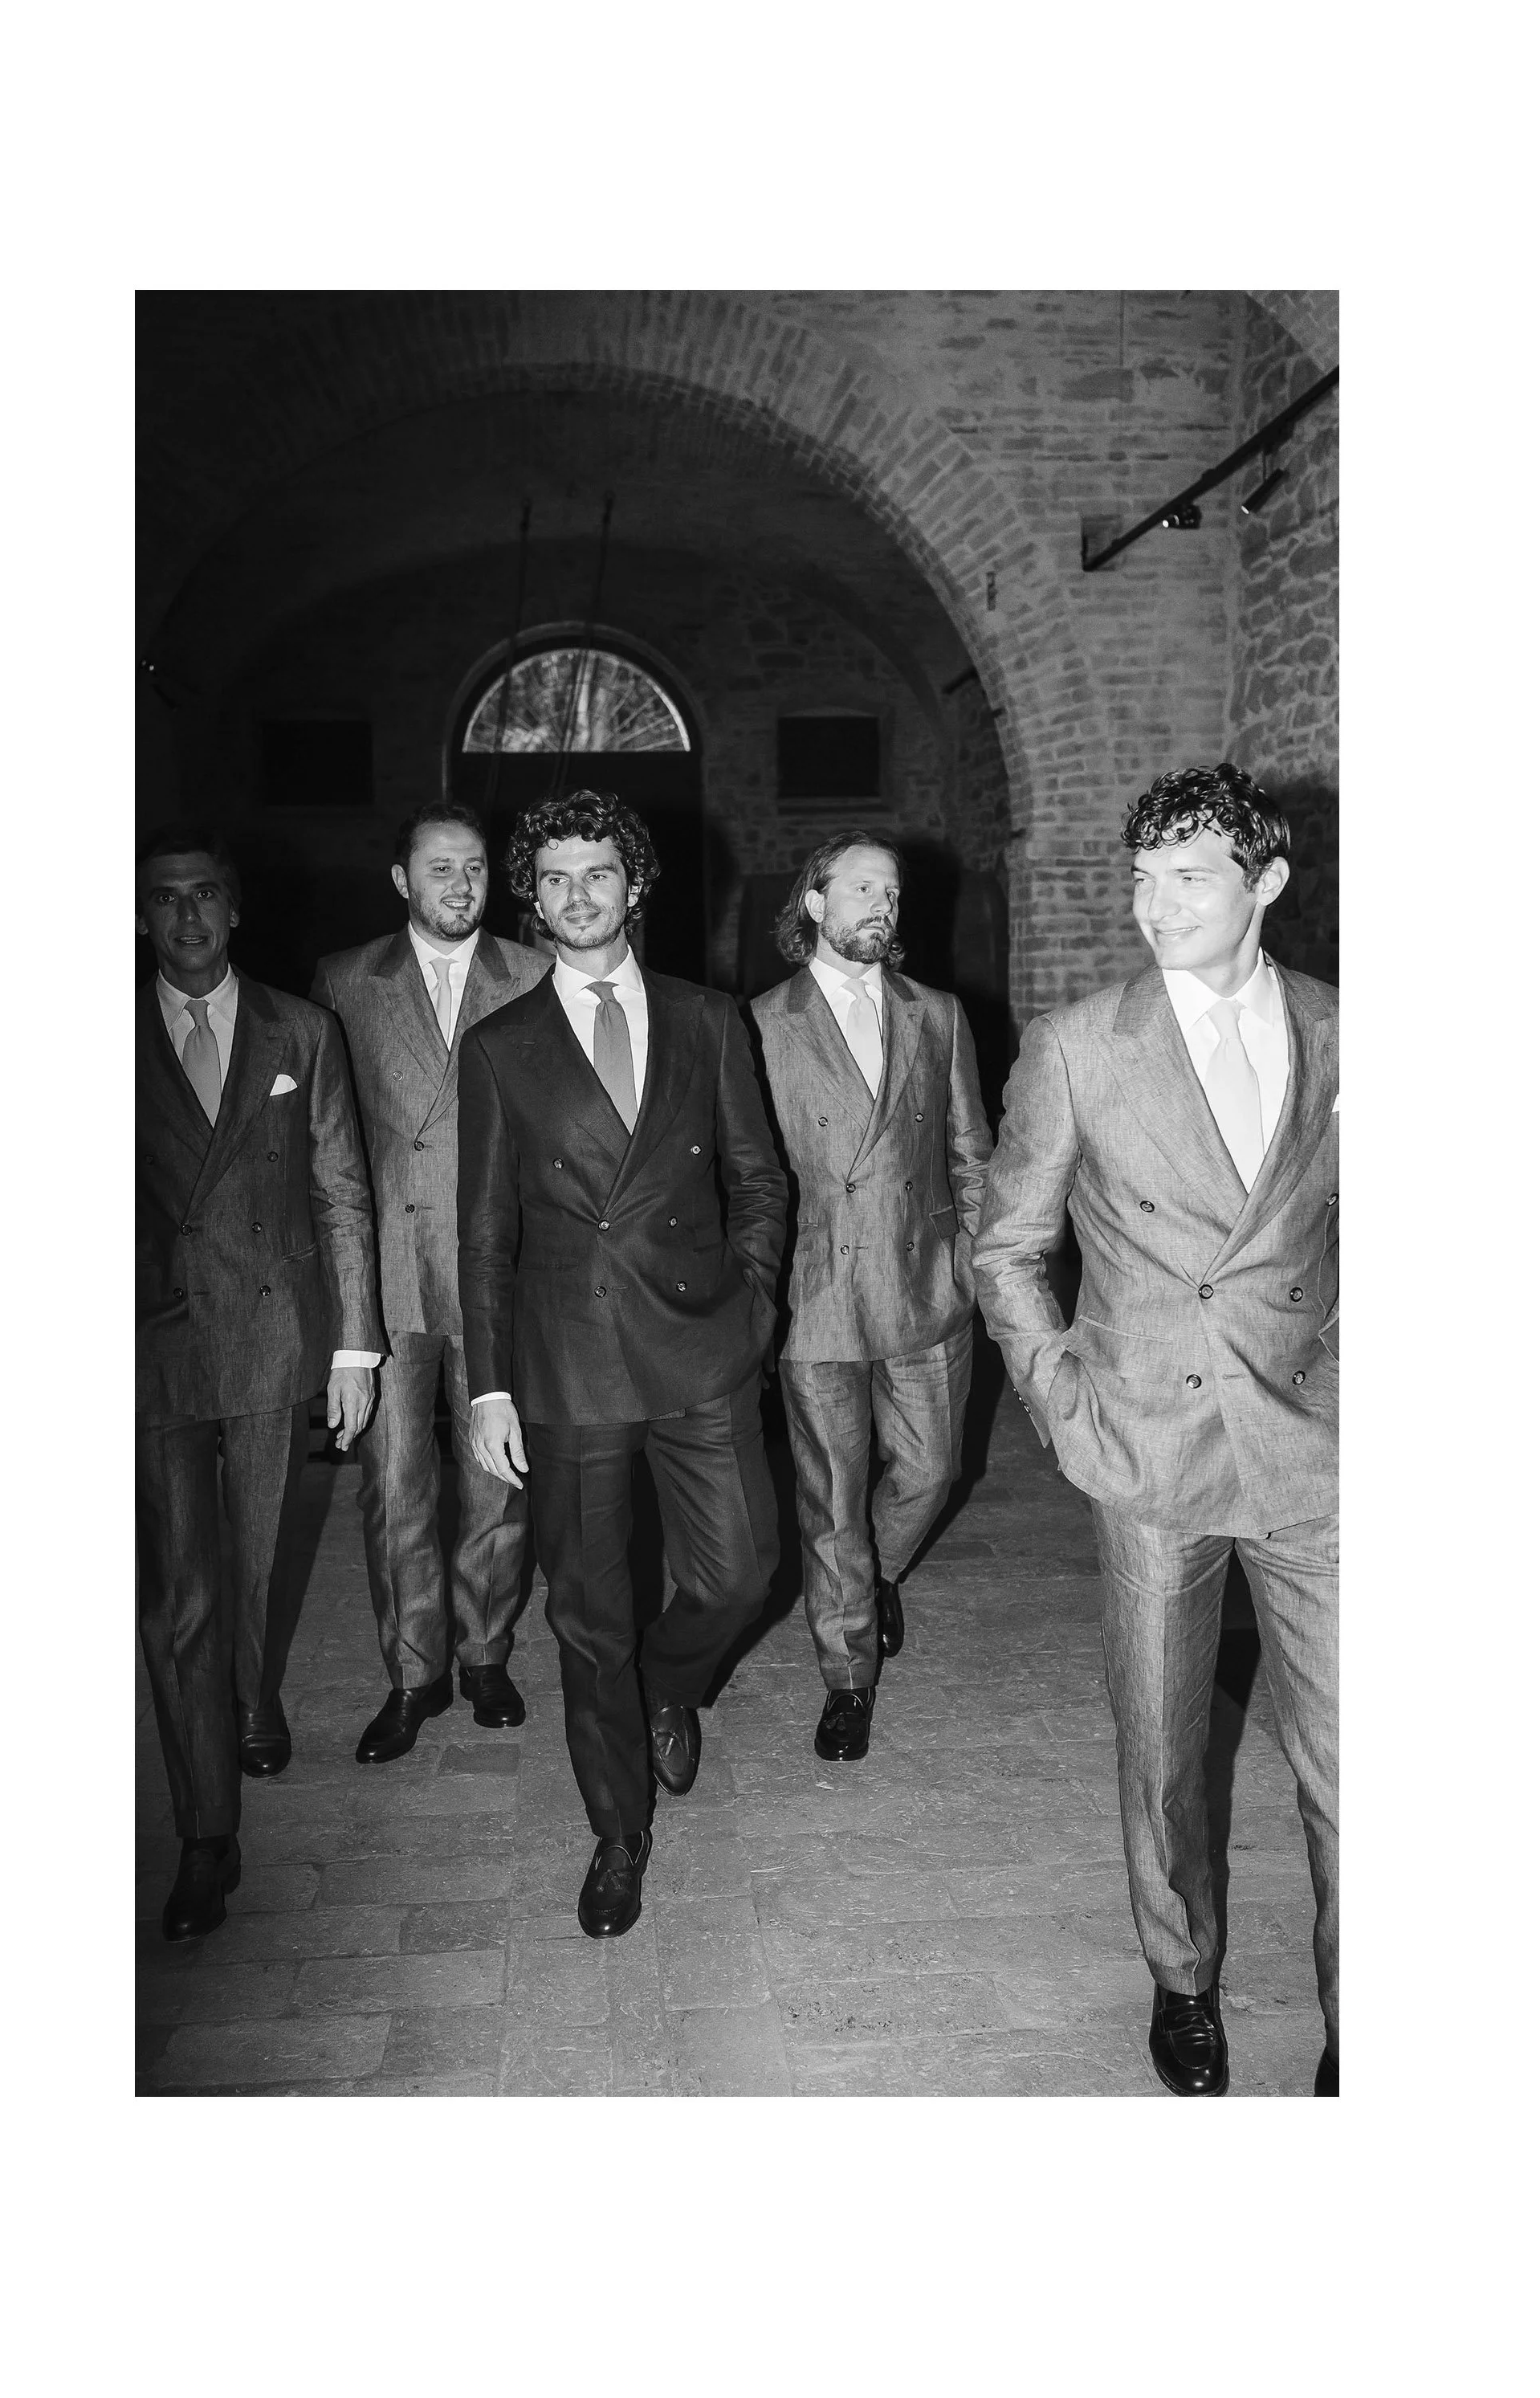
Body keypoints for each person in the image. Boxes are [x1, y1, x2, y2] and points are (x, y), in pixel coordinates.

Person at [971, 763, 1338, 2097]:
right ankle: (1182, 1977)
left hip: (1317, 1453)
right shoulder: (1080, 1044)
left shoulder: (1343, 1031)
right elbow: (1008, 1248)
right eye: (1142, 876)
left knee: (1357, 1763)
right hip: (1151, 1449)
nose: (1154, 903)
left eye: (1189, 876)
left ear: (1266, 886)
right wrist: (1064, 1400)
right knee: (1168, 1754)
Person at [459, 791, 787, 1938]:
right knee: (588, 1614)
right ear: (532, 901)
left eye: (599, 872)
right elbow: (484, 1230)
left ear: (635, 886)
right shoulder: (499, 1048)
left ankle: (670, 1682)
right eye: (554, 879)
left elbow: (758, 1181)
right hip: (566, 1360)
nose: (578, 895)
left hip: (702, 1340)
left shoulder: (708, 1019)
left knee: (743, 1571)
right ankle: (616, 1830)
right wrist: (490, 1384)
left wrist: (752, 1304)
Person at [136, 822, 381, 1940]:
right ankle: (205, 1834)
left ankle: (248, 1694)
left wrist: (353, 1349)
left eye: (204, 897)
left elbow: (341, 1191)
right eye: (165, 900)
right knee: (180, 1593)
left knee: (256, 1551)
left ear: (233, 911)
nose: (186, 916)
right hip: (150, 1345)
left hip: (277, 1336)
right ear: (144, 917)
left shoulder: (301, 1028)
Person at [311, 804, 551, 1764]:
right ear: (402, 881)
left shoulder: (532, 975)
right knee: (394, 1482)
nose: (460, 883)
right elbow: (329, 1145)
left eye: (476, 868)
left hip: (503, 1271)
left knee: (498, 1478)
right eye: (439, 868)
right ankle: (415, 1673)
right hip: (394, 1277)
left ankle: (486, 1651)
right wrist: (346, 1315)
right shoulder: (344, 981)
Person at [750, 832, 992, 1760]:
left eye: (889, 891)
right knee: (830, 1504)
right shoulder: (762, 1021)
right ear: (813, 902)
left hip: (925, 1284)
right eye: (859, 887)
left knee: (932, 1471)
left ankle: (874, 1575)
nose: (880, 905)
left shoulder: (937, 1014)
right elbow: (754, 1176)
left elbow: (972, 1153)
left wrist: (971, 1262)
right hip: (815, 1295)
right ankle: (845, 1679)